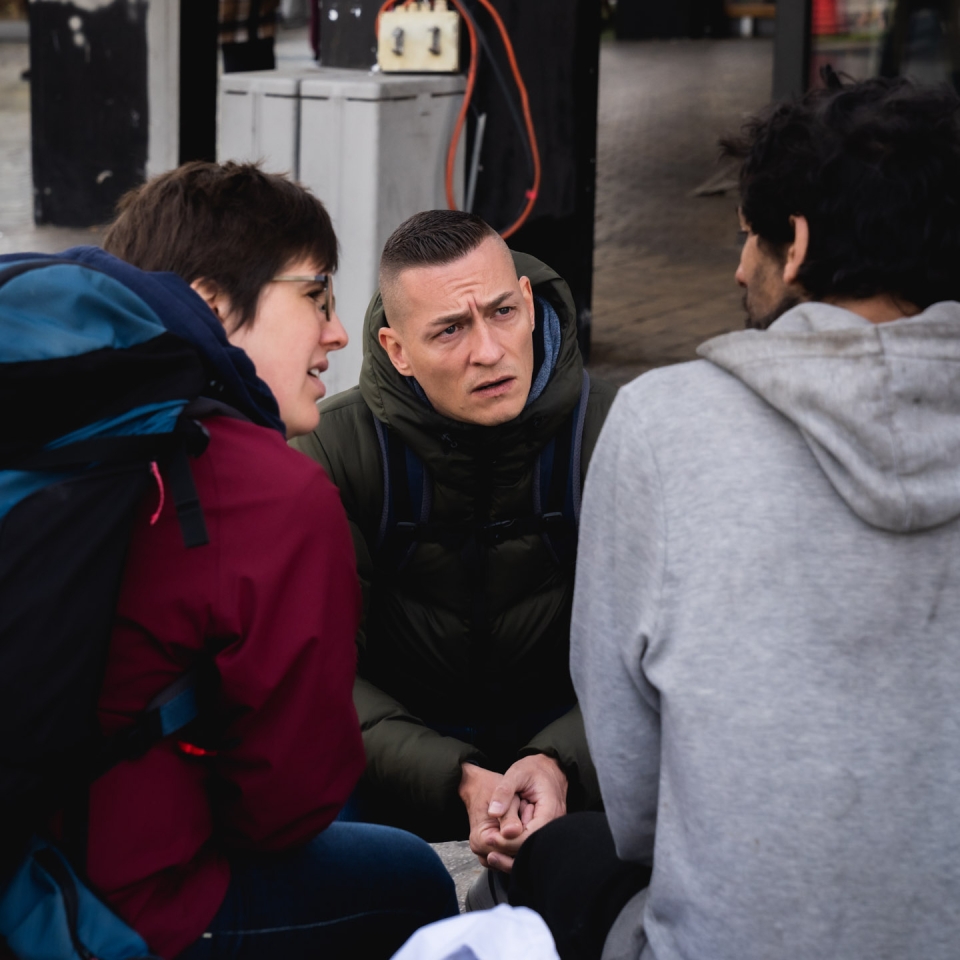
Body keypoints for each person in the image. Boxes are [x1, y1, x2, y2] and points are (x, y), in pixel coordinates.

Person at [511, 76, 960, 960]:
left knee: (563, 853)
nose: (737, 268)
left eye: (748, 237)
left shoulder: (664, 426)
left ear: (795, 246)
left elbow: (639, 810)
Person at [56, 161, 457, 958]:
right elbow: (287, 804)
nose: (337, 332)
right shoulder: (272, 493)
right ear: (211, 303)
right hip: (125, 909)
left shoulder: (61, 423)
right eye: (315, 296)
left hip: (30, 854)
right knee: (414, 875)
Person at [292, 210, 617, 889]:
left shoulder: (614, 435)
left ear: (529, 305)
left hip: (581, 748)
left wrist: (560, 761)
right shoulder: (332, 451)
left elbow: (659, 657)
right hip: (394, 759)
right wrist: (458, 779)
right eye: (450, 329)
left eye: (501, 313)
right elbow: (317, 679)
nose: (489, 351)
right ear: (397, 348)